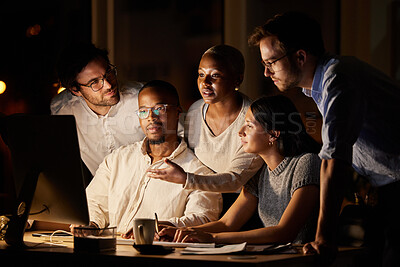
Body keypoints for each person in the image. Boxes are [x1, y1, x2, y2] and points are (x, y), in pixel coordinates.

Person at [248, 12, 400, 266]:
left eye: (271, 62)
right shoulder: (319, 87)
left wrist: (323, 237)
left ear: (300, 56)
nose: (265, 72)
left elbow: (334, 159)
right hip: (384, 186)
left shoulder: (338, 79)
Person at [158, 95, 321, 245]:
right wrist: (179, 232)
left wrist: (212, 238)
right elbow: (227, 223)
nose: (240, 132)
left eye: (249, 126)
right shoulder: (260, 171)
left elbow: (284, 233)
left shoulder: (306, 163)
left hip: (303, 258)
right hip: (272, 256)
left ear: (273, 134)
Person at [85, 80, 222, 236]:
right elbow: (93, 203)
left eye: (159, 109)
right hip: (112, 250)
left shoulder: (198, 173)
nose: (151, 117)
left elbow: (203, 217)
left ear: (178, 112)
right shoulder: (117, 160)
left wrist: (163, 226)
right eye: (143, 111)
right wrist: (92, 224)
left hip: (158, 255)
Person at [147, 45, 263, 192]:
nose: (205, 83)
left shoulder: (254, 120)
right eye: (201, 74)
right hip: (201, 197)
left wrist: (186, 179)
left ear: (237, 79)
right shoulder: (195, 110)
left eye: (215, 75)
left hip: (239, 203)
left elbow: (235, 179)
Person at [51, 43, 145, 176]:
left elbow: (180, 144)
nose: (108, 85)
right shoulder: (63, 110)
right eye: (94, 82)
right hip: (102, 193)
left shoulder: (143, 99)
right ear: (75, 90)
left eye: (108, 73)